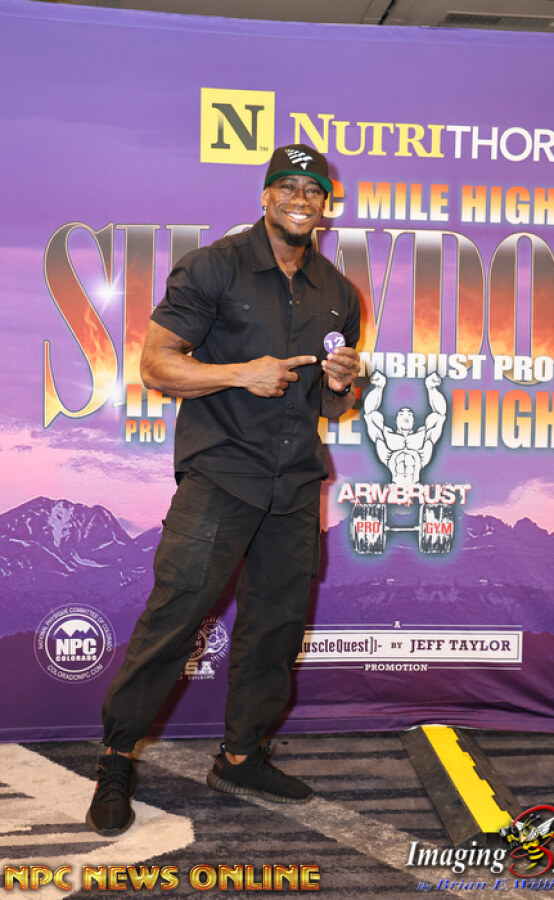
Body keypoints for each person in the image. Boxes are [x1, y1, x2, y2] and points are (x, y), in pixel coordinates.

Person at [86, 144, 361, 836]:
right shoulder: (214, 266)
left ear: (325, 205)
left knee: (275, 626)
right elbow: (157, 366)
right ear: (265, 197)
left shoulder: (338, 292)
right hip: (221, 473)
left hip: (294, 482)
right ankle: (117, 758)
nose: (300, 198)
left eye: (313, 189)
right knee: (176, 614)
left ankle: (241, 756)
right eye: (287, 186)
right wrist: (241, 372)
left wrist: (341, 384)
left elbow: (331, 406)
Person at [363, 371, 446, 486]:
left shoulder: (423, 437)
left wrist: (432, 389)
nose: (405, 417)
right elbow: (370, 414)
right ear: (396, 420)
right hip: (394, 485)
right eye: (401, 414)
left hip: (417, 486)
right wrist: (378, 388)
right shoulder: (386, 436)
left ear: (414, 421)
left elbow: (439, 415)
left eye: (409, 414)